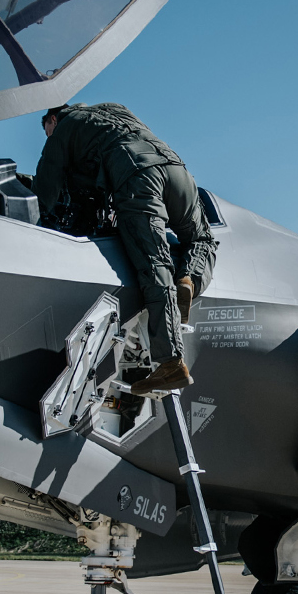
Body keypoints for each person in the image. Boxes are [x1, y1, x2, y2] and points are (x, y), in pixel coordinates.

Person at [33, 103, 218, 395]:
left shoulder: (64, 128)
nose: (49, 136)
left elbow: (47, 184)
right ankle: (189, 281)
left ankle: (170, 363)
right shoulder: (113, 109)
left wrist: (41, 223)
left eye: (47, 132)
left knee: (154, 265)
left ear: (53, 120)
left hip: (136, 176)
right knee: (201, 240)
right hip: (176, 168)